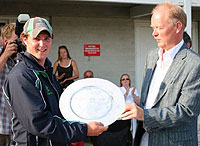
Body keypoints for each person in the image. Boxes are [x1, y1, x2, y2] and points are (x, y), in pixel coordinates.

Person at [3, 17, 108, 146]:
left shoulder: (47, 71)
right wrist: (84, 129)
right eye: (36, 38)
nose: (42, 44)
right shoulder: (21, 75)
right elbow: (39, 123)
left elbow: (57, 112)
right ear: (25, 39)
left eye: (46, 38)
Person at [121, 2, 200, 146]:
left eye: (159, 28)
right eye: (153, 28)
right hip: (144, 139)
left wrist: (144, 115)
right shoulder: (151, 56)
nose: (154, 33)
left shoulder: (194, 63)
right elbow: (149, 101)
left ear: (178, 27)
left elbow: (187, 111)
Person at [0, 23, 18, 146]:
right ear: (6, 41)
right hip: (1, 124)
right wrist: (5, 55)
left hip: (18, 127)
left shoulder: (22, 59)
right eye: (16, 42)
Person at [119, 73, 140, 142]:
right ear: (121, 82)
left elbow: (139, 102)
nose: (125, 81)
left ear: (129, 81)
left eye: (127, 79)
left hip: (133, 113)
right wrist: (127, 93)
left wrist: (133, 94)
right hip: (123, 113)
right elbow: (119, 101)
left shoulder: (133, 89)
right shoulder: (119, 89)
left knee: (134, 131)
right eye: (123, 79)